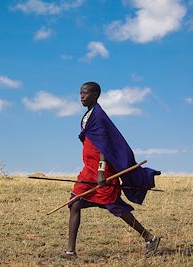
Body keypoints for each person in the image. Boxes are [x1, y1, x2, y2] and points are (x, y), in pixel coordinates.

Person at [61, 82, 161, 259]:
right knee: (75, 203)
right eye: (80, 94)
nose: (81, 97)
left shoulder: (98, 116)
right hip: (88, 170)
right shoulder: (89, 115)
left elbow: (103, 146)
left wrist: (101, 171)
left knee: (115, 206)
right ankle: (70, 251)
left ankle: (149, 237)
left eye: (85, 93)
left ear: (96, 94)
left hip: (102, 171)